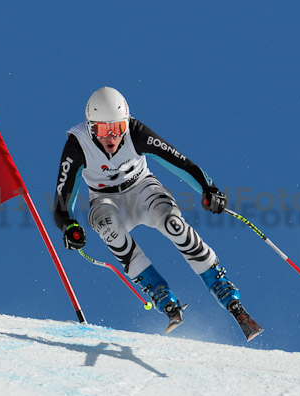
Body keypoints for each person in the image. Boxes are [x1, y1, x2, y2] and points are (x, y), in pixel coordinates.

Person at [53, 87, 262, 340]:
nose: (111, 138)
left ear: (125, 123)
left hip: (142, 189)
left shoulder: (137, 133)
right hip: (104, 198)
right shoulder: (77, 145)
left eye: (117, 128)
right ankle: (158, 290)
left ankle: (219, 283)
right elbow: (62, 201)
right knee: (109, 229)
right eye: (102, 130)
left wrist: (209, 188)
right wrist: (69, 226)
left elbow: (180, 162)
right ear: (90, 127)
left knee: (172, 223)